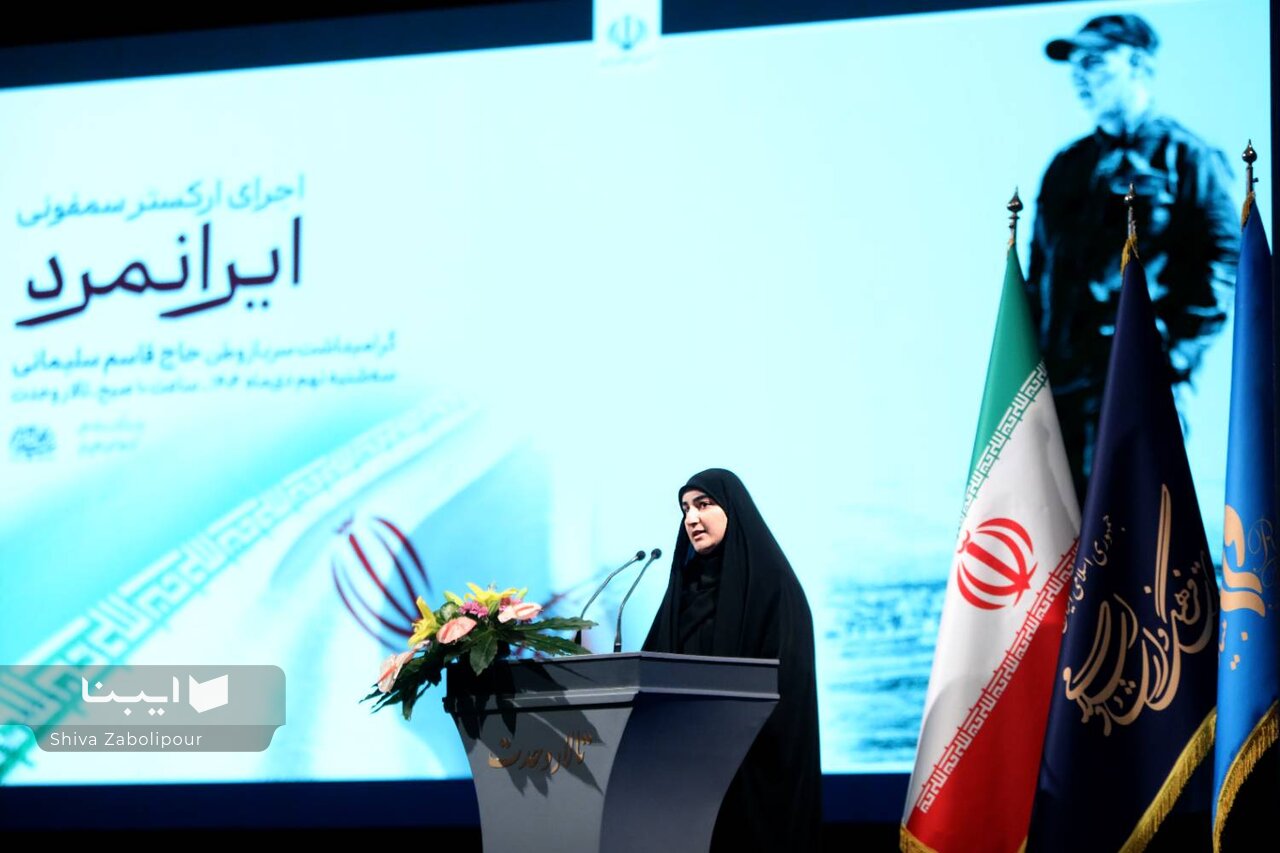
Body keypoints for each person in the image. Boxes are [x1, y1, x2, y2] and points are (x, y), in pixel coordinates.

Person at [1026, 12, 1239, 499]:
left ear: (1140, 64)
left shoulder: (1188, 158)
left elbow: (1225, 261)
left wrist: (1174, 352)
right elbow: (1040, 275)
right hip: (1062, 388)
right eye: (1075, 65)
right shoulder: (1066, 166)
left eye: (1095, 62)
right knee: (1063, 530)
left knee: (1137, 524)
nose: (1080, 76)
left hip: (1138, 380)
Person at [642, 468, 821, 852]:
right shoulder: (683, 591)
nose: (692, 518)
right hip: (684, 776)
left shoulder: (773, 587)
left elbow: (790, 688)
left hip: (753, 773)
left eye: (704, 504)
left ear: (733, 509)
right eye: (685, 509)